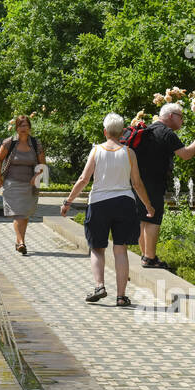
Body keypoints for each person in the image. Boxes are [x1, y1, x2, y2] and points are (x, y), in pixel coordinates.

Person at [60, 114, 156, 306]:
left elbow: (83, 179)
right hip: (124, 203)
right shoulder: (129, 153)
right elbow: (137, 184)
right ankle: (121, 297)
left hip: (99, 204)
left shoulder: (96, 151)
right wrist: (148, 205)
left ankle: (100, 286)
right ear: (122, 133)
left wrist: (68, 201)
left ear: (105, 132)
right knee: (121, 250)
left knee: (97, 248)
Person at [134, 101, 195, 269]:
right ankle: (150, 259)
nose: (182, 121)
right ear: (171, 116)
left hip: (138, 182)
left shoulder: (146, 130)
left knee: (143, 218)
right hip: (154, 182)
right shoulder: (166, 133)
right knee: (153, 219)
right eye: (180, 117)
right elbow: (186, 154)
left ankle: (145, 255)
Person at [0, 115, 45, 255]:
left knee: (24, 215)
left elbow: (42, 164)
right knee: (17, 214)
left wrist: (36, 176)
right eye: (21, 125)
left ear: (29, 127)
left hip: (30, 185)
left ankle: (18, 242)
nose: (23, 128)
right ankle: (22, 242)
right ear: (16, 128)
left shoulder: (35, 144)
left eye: (26, 125)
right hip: (12, 183)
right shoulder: (9, 142)